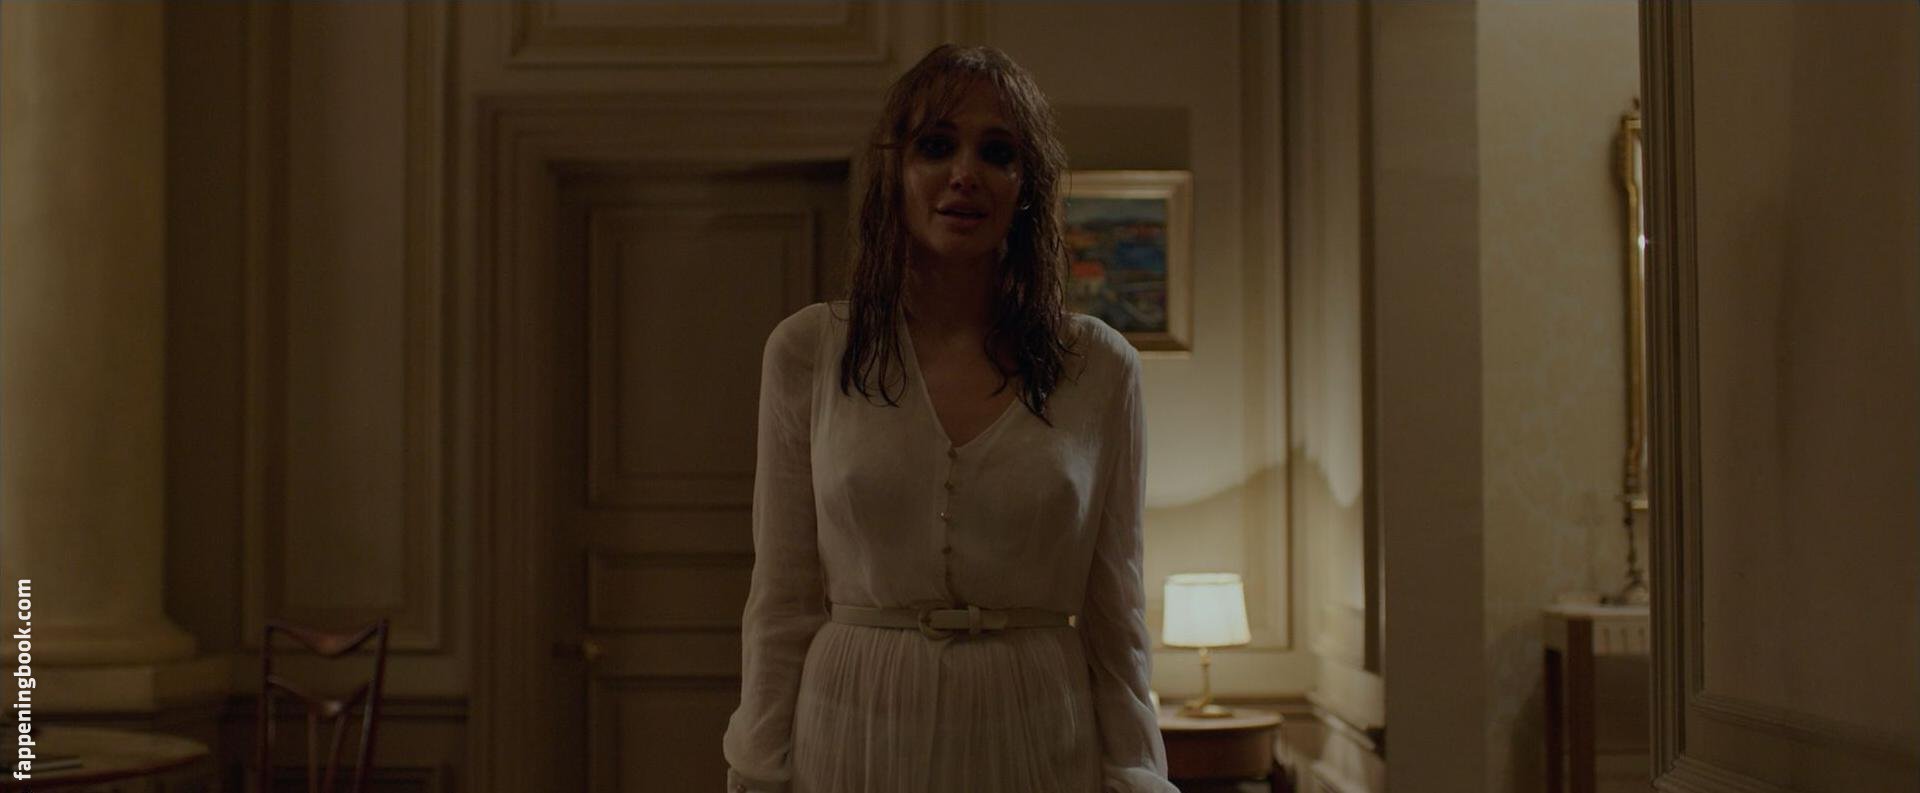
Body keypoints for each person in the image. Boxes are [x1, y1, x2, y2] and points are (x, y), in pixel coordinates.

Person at [722, 43, 1174, 793]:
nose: (965, 173)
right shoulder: (809, 350)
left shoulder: (1099, 366)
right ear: (895, 171)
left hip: (1038, 730)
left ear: (1026, 186)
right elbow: (782, 595)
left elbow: (1116, 610)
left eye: (997, 153)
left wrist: (1135, 772)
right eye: (937, 146)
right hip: (854, 726)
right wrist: (757, 768)